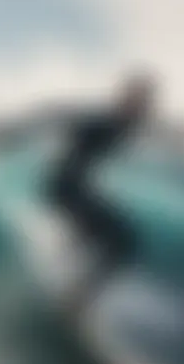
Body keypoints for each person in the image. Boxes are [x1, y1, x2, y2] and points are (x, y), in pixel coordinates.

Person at [45, 71, 156, 317]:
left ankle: (67, 287)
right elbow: (60, 115)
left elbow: (157, 128)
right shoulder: (104, 119)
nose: (143, 107)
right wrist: (13, 131)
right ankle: (73, 300)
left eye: (145, 102)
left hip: (75, 186)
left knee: (117, 242)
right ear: (124, 98)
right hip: (64, 186)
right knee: (122, 241)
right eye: (138, 99)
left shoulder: (129, 124)